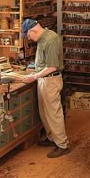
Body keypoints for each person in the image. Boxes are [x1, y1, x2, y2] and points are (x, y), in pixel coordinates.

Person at [21, 18, 70, 158]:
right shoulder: (43, 38)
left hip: (51, 80)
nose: (29, 39)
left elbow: (52, 66)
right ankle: (52, 139)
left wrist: (35, 77)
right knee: (44, 112)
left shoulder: (51, 40)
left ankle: (62, 145)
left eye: (28, 36)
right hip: (44, 79)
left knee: (54, 114)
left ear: (32, 30)